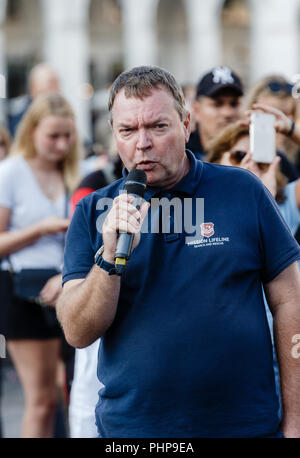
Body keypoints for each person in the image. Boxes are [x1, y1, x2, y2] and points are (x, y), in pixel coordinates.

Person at [57, 66, 300, 438]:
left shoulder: (243, 190)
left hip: (244, 427)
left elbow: (290, 302)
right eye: (128, 130)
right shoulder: (93, 211)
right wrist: (108, 260)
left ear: (186, 124)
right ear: (114, 135)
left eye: (158, 126)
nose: (142, 143)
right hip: (135, 433)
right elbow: (77, 332)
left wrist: (296, 422)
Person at [0, 93, 80, 438]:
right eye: (53, 136)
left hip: (69, 285)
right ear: (32, 131)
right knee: (41, 400)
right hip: (22, 290)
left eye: (67, 135)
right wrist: (40, 229)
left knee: (69, 396)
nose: (61, 144)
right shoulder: (11, 172)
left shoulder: (76, 172)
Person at [243, 75, 299, 183]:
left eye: (290, 113)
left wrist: (292, 130)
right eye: (272, 114)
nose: (284, 122)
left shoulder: (296, 153)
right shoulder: (239, 153)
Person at [186, 66, 243, 159]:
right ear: (196, 110)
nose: (227, 113)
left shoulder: (250, 154)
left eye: (234, 104)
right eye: (217, 104)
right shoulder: (181, 154)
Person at [8, 63, 61, 137]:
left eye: (58, 83)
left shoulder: (62, 115)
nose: (58, 89)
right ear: (33, 88)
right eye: (52, 83)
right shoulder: (21, 122)